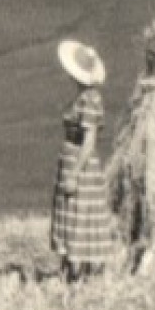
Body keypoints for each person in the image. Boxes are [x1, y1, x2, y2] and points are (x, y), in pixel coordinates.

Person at [51, 39, 120, 283]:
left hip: (80, 165)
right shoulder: (82, 98)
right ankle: (70, 271)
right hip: (70, 161)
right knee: (72, 214)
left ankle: (78, 274)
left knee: (79, 215)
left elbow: (89, 142)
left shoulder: (90, 100)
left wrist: (74, 174)